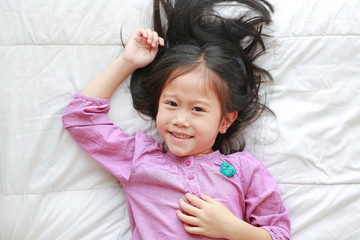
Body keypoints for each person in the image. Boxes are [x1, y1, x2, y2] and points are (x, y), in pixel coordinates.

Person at [62, 0, 291, 239]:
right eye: (171, 104)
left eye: (198, 109)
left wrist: (233, 229)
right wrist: (127, 63)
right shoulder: (140, 160)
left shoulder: (245, 169)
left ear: (225, 121)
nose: (180, 119)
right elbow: (80, 118)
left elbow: (279, 234)